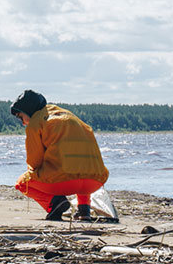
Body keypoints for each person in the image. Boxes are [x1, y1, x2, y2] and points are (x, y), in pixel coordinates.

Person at [10, 90, 109, 221]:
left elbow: (34, 162)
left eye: (20, 117)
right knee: (81, 165)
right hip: (95, 181)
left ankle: (55, 203)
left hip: (64, 182)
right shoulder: (73, 118)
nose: (23, 122)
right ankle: (84, 211)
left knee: (22, 183)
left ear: (28, 111)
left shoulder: (36, 123)